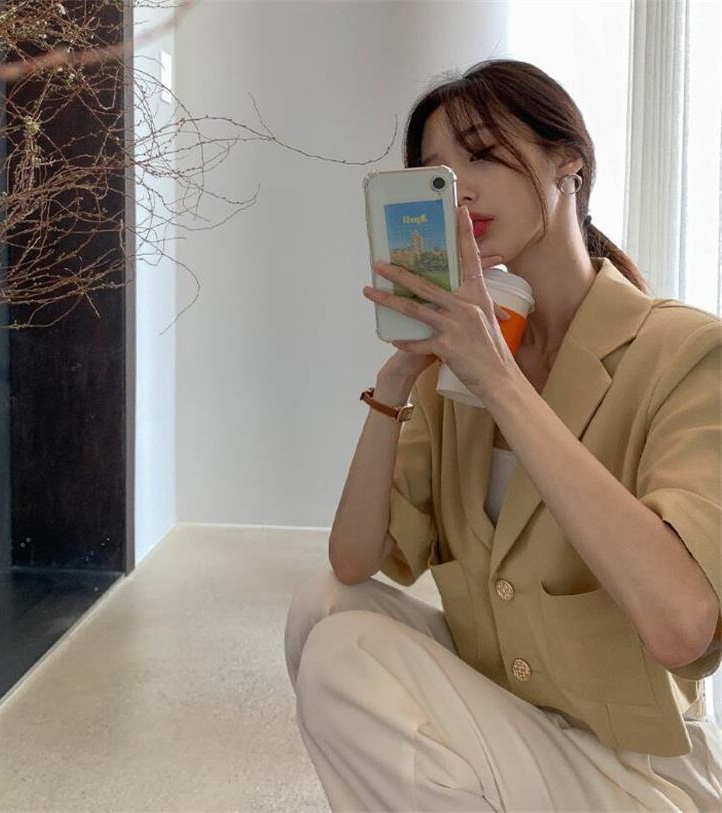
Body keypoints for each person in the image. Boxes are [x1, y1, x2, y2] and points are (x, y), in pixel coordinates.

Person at [284, 58, 722, 811]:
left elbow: (682, 627)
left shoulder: (684, 353)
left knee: (344, 657)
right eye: (437, 172)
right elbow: (353, 559)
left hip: (637, 773)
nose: (460, 188)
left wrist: (502, 383)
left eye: (483, 155)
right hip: (514, 723)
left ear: (568, 165)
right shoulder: (457, 366)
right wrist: (396, 380)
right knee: (324, 610)